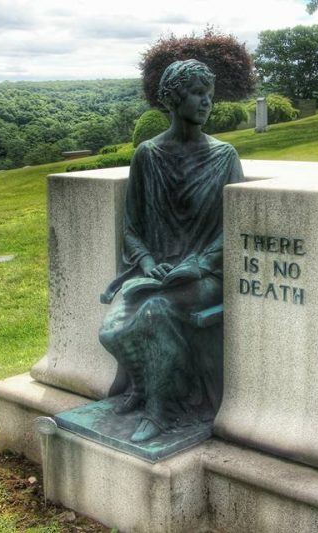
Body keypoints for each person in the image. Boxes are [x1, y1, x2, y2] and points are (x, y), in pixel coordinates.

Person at [99, 59, 244, 442]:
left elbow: (235, 228)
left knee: (155, 312)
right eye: (198, 94)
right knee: (111, 331)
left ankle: (162, 412)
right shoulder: (147, 155)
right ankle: (145, 386)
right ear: (174, 99)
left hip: (204, 276)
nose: (206, 102)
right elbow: (132, 226)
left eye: (209, 95)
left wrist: (199, 263)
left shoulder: (224, 156)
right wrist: (146, 262)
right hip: (155, 273)